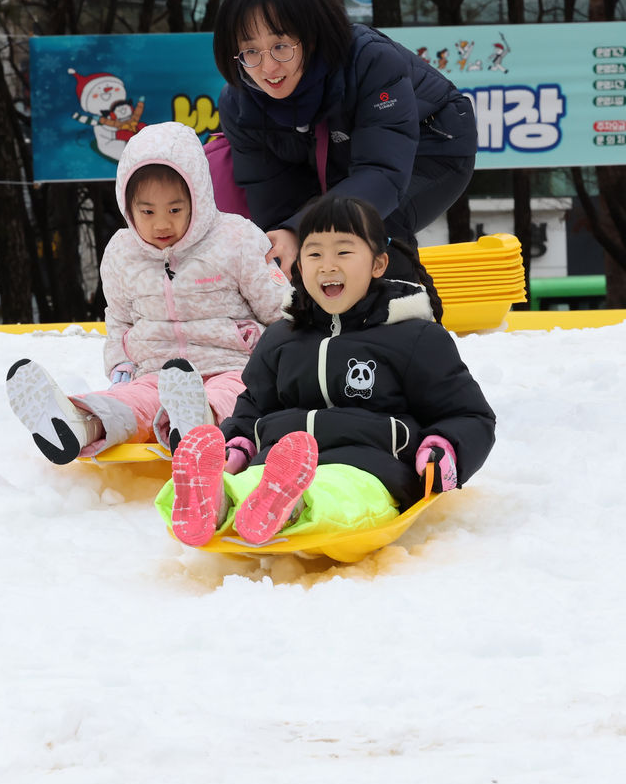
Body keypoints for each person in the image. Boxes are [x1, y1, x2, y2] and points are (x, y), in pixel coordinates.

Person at [156, 196, 495, 548]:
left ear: (379, 264)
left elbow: (467, 413)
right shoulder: (280, 338)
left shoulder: (413, 337)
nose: (327, 265)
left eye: (343, 253)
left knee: (341, 495)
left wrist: (443, 449)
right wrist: (238, 444)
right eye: (315, 254)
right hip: (277, 460)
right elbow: (254, 407)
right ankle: (215, 501)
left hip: (369, 464)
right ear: (299, 266)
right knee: (245, 484)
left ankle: (293, 505)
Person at [6, 121, 290, 464]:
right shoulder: (122, 252)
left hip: (232, 366)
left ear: (197, 199)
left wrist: (284, 363)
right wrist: (121, 364)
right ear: (128, 207)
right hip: (156, 373)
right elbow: (120, 318)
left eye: (174, 210)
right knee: (134, 402)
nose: (161, 225)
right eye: (147, 212)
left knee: (230, 396)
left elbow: (280, 309)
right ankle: (79, 423)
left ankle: (196, 426)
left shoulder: (236, 239)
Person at [212, 0, 477, 282]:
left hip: (432, 143)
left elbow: (382, 174)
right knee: (298, 239)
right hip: (339, 157)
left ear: (310, 38)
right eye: (251, 51)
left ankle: (404, 316)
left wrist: (302, 229)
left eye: (281, 46)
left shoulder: (371, 60)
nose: (268, 67)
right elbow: (273, 203)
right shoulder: (239, 103)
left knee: (370, 224)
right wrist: (286, 233)